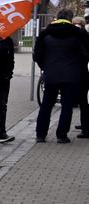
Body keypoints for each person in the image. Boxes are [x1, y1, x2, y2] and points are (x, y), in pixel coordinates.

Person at [33, 8, 89, 143]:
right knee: (67, 106)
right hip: (71, 75)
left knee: (46, 104)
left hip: (51, 74)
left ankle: (40, 134)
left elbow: (37, 55)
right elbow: (86, 54)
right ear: (70, 19)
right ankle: (61, 135)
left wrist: (46, 67)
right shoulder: (79, 34)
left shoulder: (45, 33)